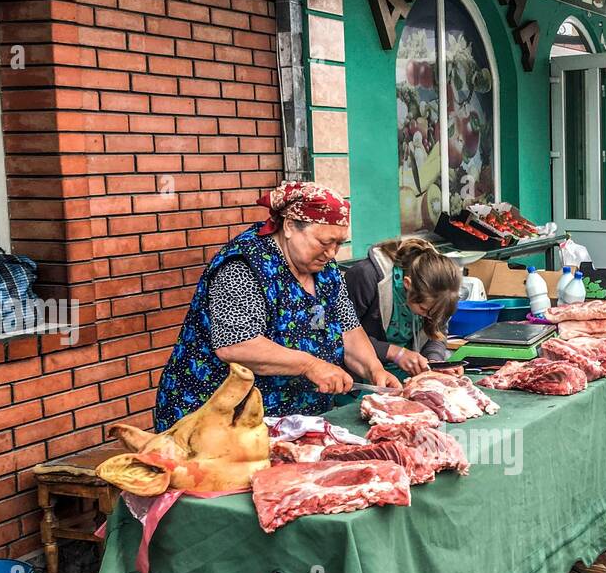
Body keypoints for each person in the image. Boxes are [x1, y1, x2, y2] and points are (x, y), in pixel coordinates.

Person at [153, 181, 400, 430]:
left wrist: (374, 370)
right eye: (324, 242)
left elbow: (348, 329)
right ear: (290, 226)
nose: (332, 253)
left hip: (294, 422)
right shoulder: (244, 266)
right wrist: (310, 365)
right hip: (220, 421)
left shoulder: (326, 271)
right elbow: (236, 344)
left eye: (339, 243)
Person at [344, 237, 461, 375]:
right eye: (424, 309)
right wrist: (395, 353)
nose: (427, 317)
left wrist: (434, 361)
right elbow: (340, 334)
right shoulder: (366, 277)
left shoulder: (443, 290)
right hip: (358, 375)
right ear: (407, 284)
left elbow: (438, 330)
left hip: (403, 375)